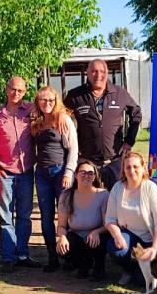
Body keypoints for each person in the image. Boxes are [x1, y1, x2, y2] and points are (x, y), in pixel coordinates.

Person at [64, 59, 142, 190]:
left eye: (102, 71)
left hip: (114, 161)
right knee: (89, 202)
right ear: (87, 73)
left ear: (107, 73)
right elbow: (60, 114)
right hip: (87, 161)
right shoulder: (75, 96)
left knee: (117, 201)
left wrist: (130, 140)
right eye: (94, 71)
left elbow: (136, 114)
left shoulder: (119, 93)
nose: (98, 75)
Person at [31, 85, 79, 272]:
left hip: (60, 172)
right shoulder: (36, 121)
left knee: (64, 214)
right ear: (38, 102)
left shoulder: (63, 119)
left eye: (51, 100)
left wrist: (69, 172)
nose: (47, 103)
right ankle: (52, 256)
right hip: (42, 173)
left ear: (56, 101)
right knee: (45, 216)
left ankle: (66, 255)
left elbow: (73, 148)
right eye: (43, 100)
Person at [0, 77, 38, 272]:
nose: (16, 93)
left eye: (20, 90)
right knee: (5, 216)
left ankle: (23, 253)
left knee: (24, 216)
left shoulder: (31, 112)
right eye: (13, 89)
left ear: (25, 92)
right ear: (6, 89)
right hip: (4, 172)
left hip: (26, 171)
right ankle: (8, 257)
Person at [104, 151, 157, 286]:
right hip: (129, 237)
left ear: (143, 168)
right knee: (116, 248)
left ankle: (144, 270)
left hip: (150, 240)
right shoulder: (117, 188)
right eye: (128, 167)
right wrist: (117, 236)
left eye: (135, 167)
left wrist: (154, 248)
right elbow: (109, 219)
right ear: (123, 170)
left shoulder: (151, 189)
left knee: (142, 282)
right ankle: (129, 269)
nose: (131, 170)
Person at [56, 160, 109, 280]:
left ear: (95, 176)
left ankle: (99, 267)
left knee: (99, 240)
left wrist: (96, 232)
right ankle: (82, 265)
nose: (87, 175)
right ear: (75, 174)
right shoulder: (66, 195)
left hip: (97, 235)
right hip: (76, 234)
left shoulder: (103, 195)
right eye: (83, 172)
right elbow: (62, 226)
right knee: (64, 248)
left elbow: (107, 224)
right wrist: (62, 237)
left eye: (90, 173)